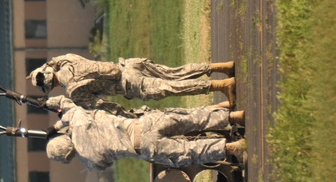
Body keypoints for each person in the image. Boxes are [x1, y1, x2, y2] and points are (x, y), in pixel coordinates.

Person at [44, 95, 246, 171]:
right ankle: (233, 117)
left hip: (144, 147)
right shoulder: (78, 121)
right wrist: (55, 126)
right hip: (143, 124)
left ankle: (231, 148)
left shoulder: (89, 161)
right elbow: (65, 104)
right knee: (190, 119)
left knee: (189, 151)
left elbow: (105, 164)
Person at [28, 53, 236, 108]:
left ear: (49, 87)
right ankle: (221, 67)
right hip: (128, 65)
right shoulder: (68, 61)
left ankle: (220, 86)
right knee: (175, 73)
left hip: (130, 85)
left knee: (174, 88)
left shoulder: (73, 92)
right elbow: (55, 60)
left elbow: (102, 106)